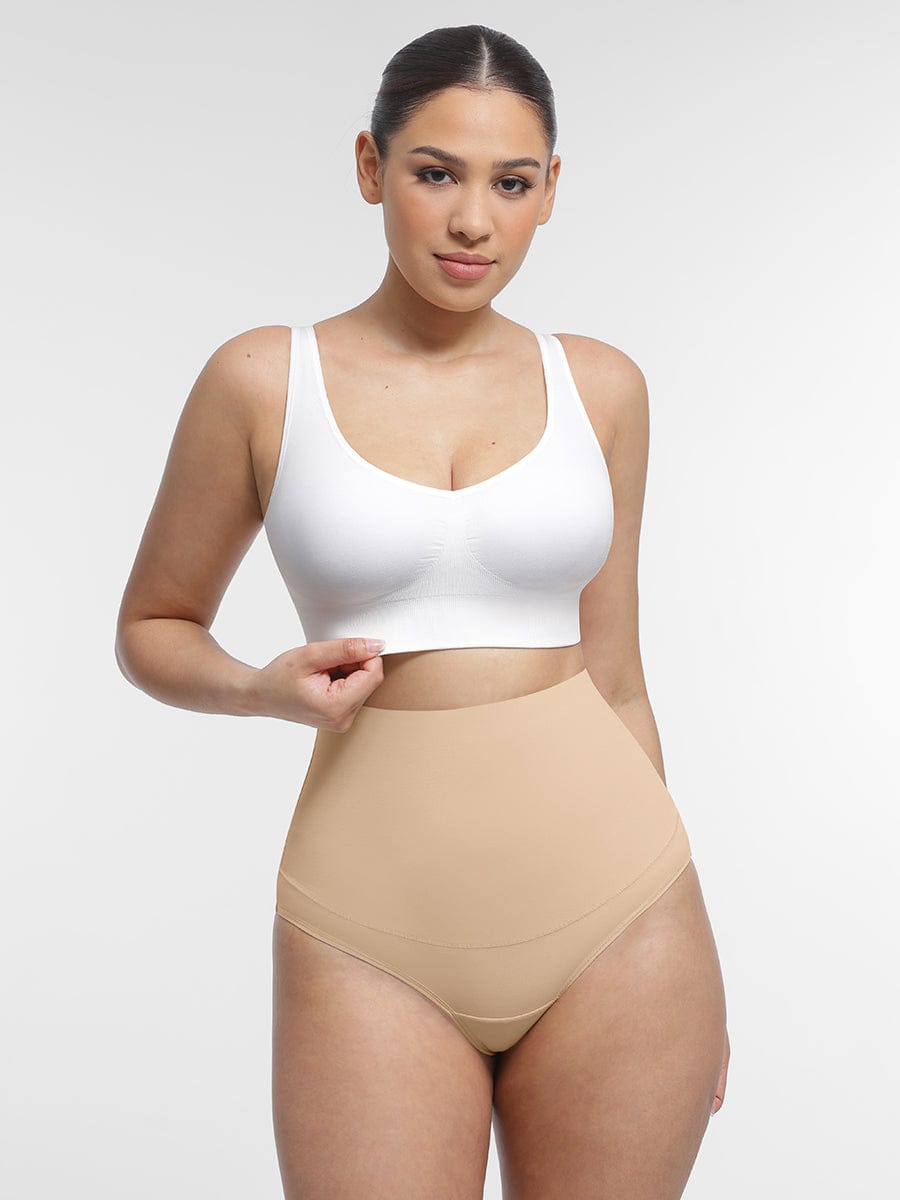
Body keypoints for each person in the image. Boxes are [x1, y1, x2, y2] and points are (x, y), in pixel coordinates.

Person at [115, 22, 730, 1200]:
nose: (472, 222)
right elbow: (153, 626)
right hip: (370, 921)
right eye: (436, 173)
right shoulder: (262, 380)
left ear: (551, 192)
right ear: (370, 167)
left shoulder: (602, 387)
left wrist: (694, 964)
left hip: (626, 911)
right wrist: (259, 688)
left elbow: (618, 678)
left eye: (513, 184)